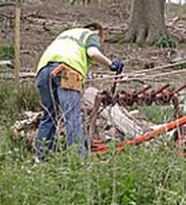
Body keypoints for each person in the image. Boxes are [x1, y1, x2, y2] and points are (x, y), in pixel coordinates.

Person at [34, 22, 123, 160]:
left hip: (42, 71)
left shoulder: (66, 34)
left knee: (48, 116)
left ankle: (40, 158)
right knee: (72, 117)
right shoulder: (91, 35)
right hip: (67, 71)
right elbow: (92, 52)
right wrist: (111, 64)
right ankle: (77, 160)